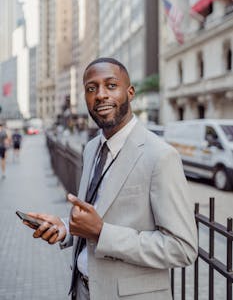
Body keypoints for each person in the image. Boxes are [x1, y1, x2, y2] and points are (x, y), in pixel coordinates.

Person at [23, 57, 198, 300]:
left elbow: (182, 248)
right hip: (82, 290)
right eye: (91, 89)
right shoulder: (92, 148)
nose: (100, 95)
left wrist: (102, 233)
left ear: (130, 92)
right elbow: (98, 216)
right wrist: (65, 227)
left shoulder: (161, 156)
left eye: (111, 86)